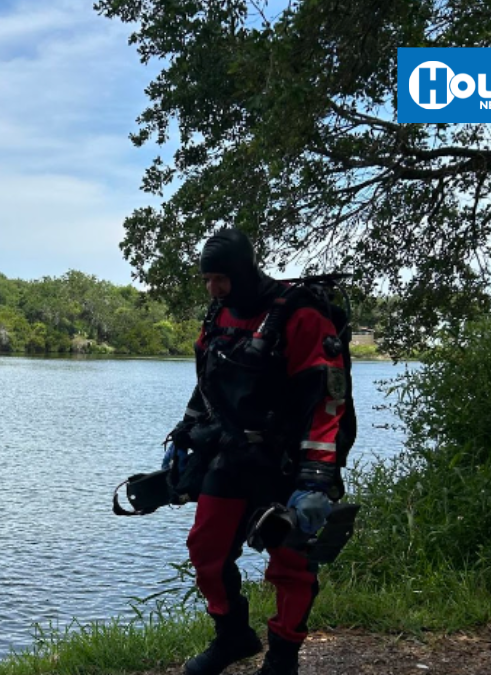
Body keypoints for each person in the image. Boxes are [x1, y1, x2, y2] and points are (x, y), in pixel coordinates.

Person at [168, 228, 351, 675]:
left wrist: (316, 478)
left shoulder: (301, 314)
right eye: (208, 279)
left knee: (291, 565)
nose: (214, 289)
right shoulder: (217, 316)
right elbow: (207, 382)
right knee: (205, 551)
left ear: (245, 271)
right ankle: (232, 637)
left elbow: (326, 401)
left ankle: (282, 658)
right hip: (232, 455)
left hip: (289, 462)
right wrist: (186, 433)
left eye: (222, 279)